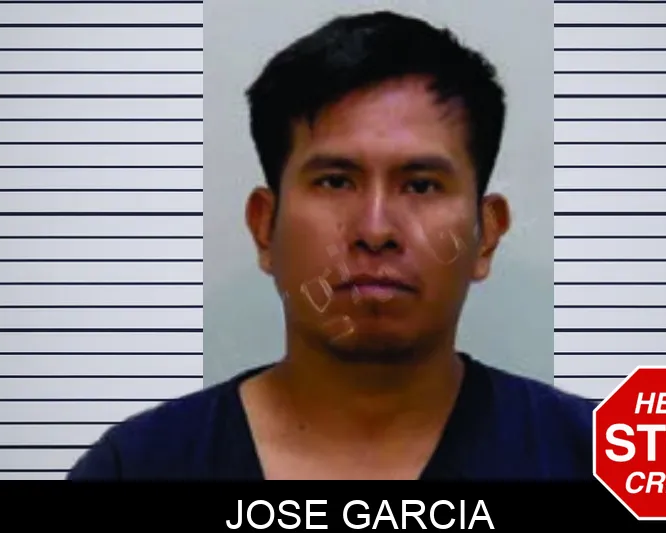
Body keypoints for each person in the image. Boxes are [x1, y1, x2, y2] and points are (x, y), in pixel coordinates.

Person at [67, 10, 594, 481]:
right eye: (336, 181)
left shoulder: (601, 461)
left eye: (421, 185)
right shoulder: (138, 466)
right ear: (265, 226)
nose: (375, 230)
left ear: (486, 235)